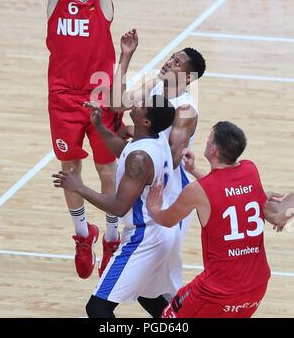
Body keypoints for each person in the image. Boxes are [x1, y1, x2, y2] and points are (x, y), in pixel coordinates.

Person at [44, 0, 120, 279]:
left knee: (107, 171)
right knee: (69, 169)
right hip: (61, 96)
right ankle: (81, 234)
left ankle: (110, 237)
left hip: (99, 97)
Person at [52, 95, 182, 318]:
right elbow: (125, 153)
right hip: (163, 231)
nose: (137, 103)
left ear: (146, 121)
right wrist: (99, 126)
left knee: (97, 308)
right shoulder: (155, 139)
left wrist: (78, 187)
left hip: (144, 236)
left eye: (142, 106)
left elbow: (119, 207)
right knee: (148, 296)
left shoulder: (139, 158)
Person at [147, 121, 273, 318]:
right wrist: (194, 170)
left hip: (217, 291)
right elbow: (224, 192)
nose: (206, 141)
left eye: (209, 138)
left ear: (213, 149)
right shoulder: (250, 171)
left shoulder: (196, 191)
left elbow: (167, 220)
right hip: (256, 287)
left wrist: (153, 207)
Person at [111, 29, 206, 235]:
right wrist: (125, 56)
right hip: (145, 176)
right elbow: (117, 105)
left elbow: (171, 160)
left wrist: (133, 130)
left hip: (169, 191)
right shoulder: (154, 85)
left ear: (188, 77)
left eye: (177, 63)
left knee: (159, 257)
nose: (169, 63)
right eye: (171, 58)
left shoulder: (185, 110)